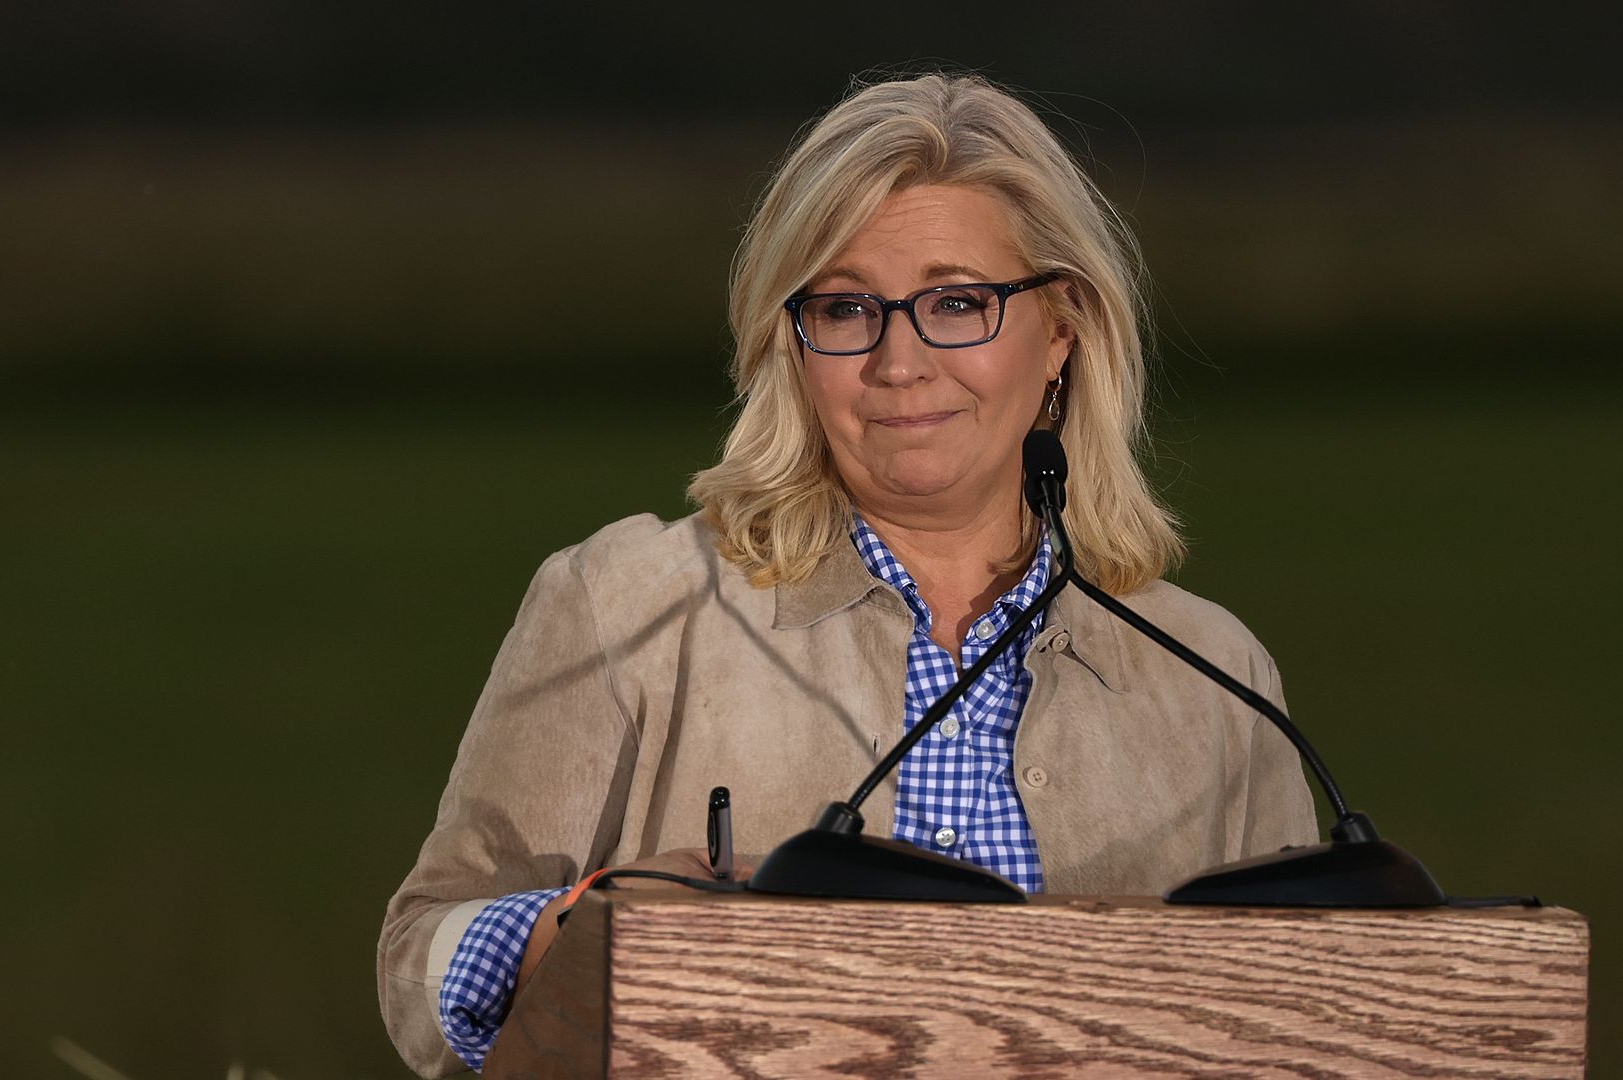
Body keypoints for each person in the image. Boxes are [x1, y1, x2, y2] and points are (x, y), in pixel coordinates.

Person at [377, 72, 1316, 1076]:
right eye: (845, 308)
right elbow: (417, 969)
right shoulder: (628, 606)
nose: (899, 361)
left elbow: (1318, 1008)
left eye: (959, 302)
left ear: (1063, 333)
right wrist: (577, 926)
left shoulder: (1214, 674)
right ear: (792, 341)